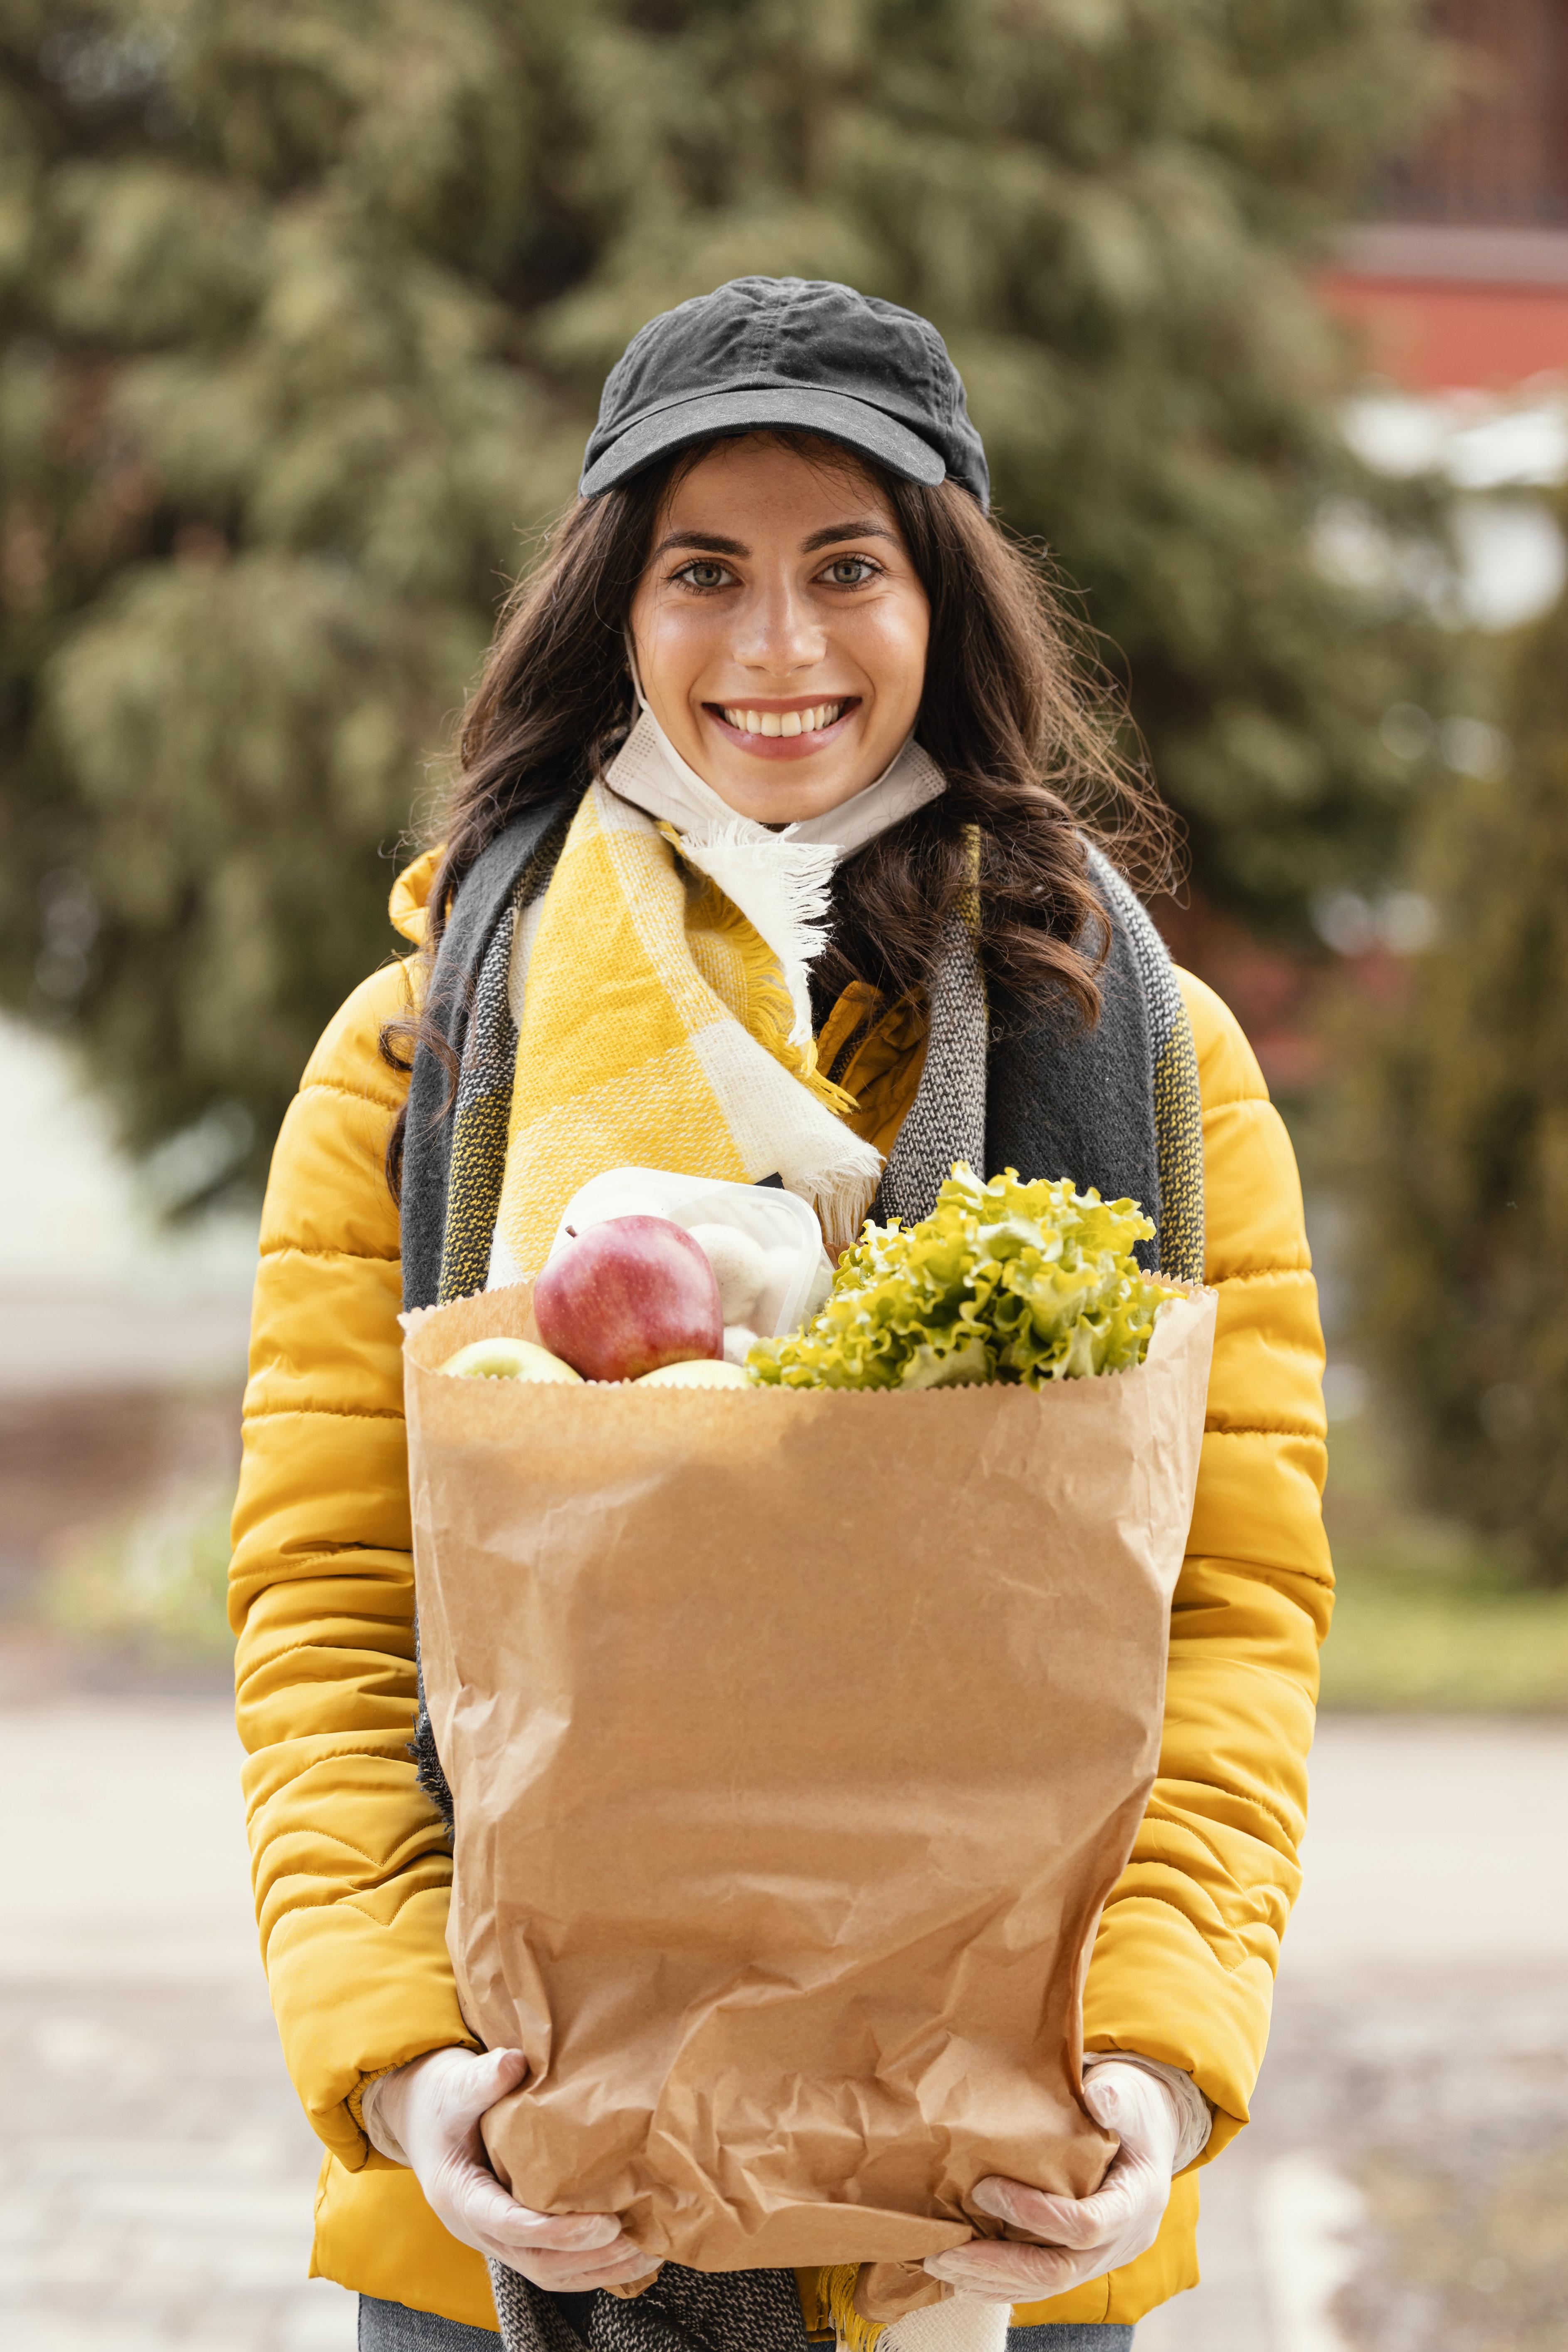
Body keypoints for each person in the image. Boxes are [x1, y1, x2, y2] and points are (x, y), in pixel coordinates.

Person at [231, 277, 1331, 2352]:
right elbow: (331, 1600)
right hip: (520, 2199)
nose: (778, 648)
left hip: (1002, 2191)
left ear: (944, 607)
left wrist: (1160, 2072)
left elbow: (1228, 1610)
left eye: (849, 568)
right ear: (611, 618)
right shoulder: (412, 1066)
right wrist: (402, 2072)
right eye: (700, 573)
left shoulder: (1160, 1075)